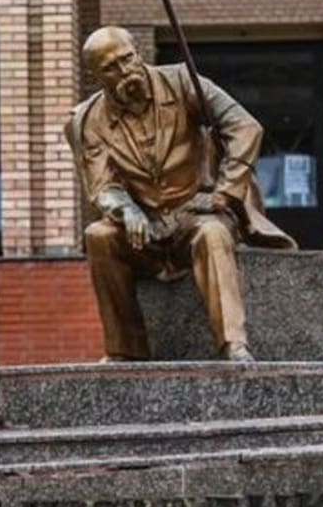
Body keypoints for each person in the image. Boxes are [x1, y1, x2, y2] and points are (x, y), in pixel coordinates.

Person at [64, 26, 296, 363]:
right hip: (144, 228)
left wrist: (224, 193)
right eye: (111, 67)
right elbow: (101, 187)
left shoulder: (184, 82)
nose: (125, 71)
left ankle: (233, 345)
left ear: (138, 53)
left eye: (128, 59)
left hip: (197, 213)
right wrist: (126, 210)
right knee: (97, 235)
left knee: (213, 234)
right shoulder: (86, 120)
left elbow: (245, 128)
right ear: (95, 75)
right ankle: (125, 350)